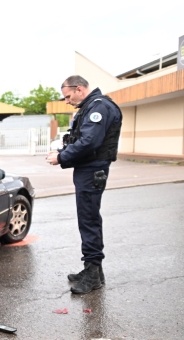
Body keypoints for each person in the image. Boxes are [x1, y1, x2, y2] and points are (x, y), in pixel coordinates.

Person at [45, 75, 122, 294]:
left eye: (68, 96)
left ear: (79, 89)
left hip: (92, 171)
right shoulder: (92, 107)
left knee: (88, 220)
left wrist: (61, 158)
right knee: (88, 219)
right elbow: (82, 139)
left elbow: (90, 142)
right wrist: (63, 152)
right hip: (88, 169)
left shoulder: (99, 107)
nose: (67, 101)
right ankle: (94, 270)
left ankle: (92, 275)